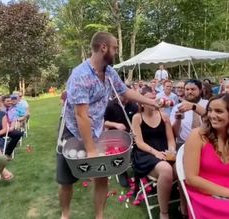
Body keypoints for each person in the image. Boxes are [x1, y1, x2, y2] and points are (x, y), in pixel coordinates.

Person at [57, 31, 159, 219]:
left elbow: (125, 91)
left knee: (102, 174)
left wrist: (150, 101)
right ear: (103, 47)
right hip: (71, 131)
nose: (116, 52)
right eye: (115, 48)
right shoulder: (80, 75)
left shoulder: (110, 72)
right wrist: (90, 150)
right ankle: (65, 215)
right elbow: (81, 115)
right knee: (66, 180)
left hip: (95, 130)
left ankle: (100, 216)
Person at [132, 86, 176, 219]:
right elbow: (139, 142)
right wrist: (155, 153)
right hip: (146, 154)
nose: (153, 101)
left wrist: (172, 151)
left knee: (182, 166)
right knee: (166, 169)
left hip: (164, 151)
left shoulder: (164, 116)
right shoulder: (137, 117)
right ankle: (164, 213)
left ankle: (185, 207)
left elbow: (171, 139)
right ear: (141, 102)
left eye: (154, 98)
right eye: (149, 99)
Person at [184, 93, 229, 219]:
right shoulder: (197, 136)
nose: (212, 115)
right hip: (204, 194)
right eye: (209, 110)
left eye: (219, 111)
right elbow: (191, 179)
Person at [170, 79, 208, 148]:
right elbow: (174, 133)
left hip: (207, 144)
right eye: (187, 89)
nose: (189, 92)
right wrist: (178, 119)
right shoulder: (178, 108)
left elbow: (209, 117)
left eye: (193, 89)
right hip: (184, 145)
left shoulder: (208, 104)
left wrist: (193, 107)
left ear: (200, 90)